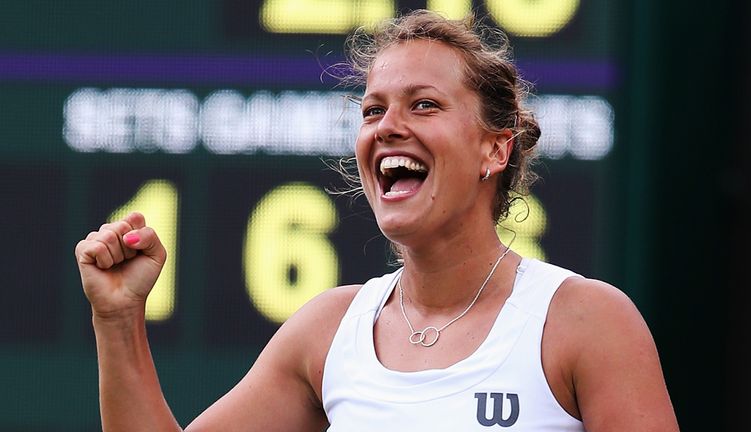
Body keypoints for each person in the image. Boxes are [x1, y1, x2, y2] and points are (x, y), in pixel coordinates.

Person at [74, 10, 679, 431]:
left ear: (496, 149)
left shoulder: (586, 322)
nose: (387, 126)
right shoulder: (327, 331)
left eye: (424, 104)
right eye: (372, 109)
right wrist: (118, 317)